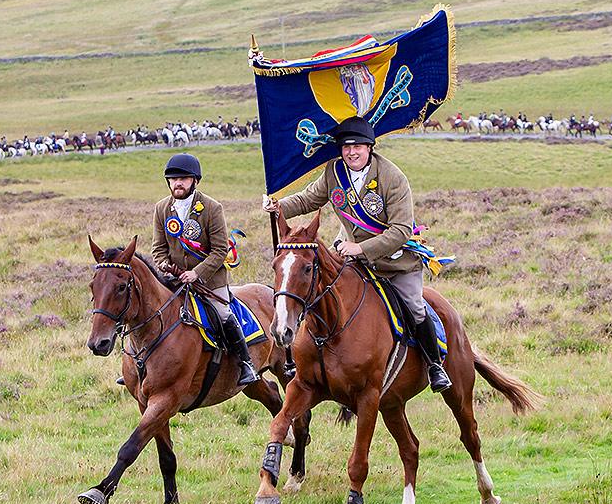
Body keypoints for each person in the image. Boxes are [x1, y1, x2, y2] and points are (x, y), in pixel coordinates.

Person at [263, 116, 452, 393]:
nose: (351, 152)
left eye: (358, 146)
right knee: (324, 294)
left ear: (370, 148)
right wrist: (279, 206)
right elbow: (308, 199)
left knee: (414, 306)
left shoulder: (392, 178)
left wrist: (361, 248)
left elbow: (401, 230)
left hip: (394, 261)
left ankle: (434, 366)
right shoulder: (334, 172)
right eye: (346, 147)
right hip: (351, 256)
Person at [152, 153, 259, 386]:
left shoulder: (211, 208)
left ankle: (245, 363)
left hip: (209, 281)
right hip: (174, 281)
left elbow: (220, 251)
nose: (177, 183)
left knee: (223, 314)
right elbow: (158, 248)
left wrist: (196, 273)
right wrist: (163, 264)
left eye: (183, 178)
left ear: (195, 181)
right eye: (173, 179)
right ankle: (141, 367)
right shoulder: (161, 208)